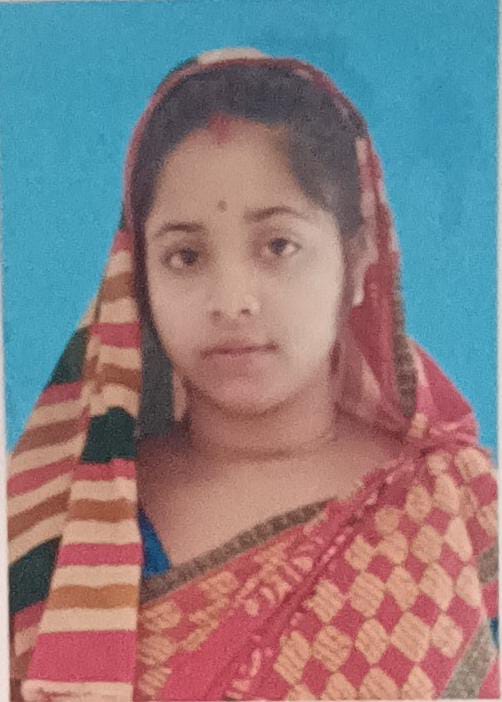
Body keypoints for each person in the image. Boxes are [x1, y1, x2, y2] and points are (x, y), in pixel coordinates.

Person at [8, 47, 498, 701]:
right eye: (186, 256)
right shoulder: (69, 524)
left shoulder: (449, 501)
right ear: (139, 281)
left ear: (357, 262)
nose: (232, 300)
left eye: (278, 246)